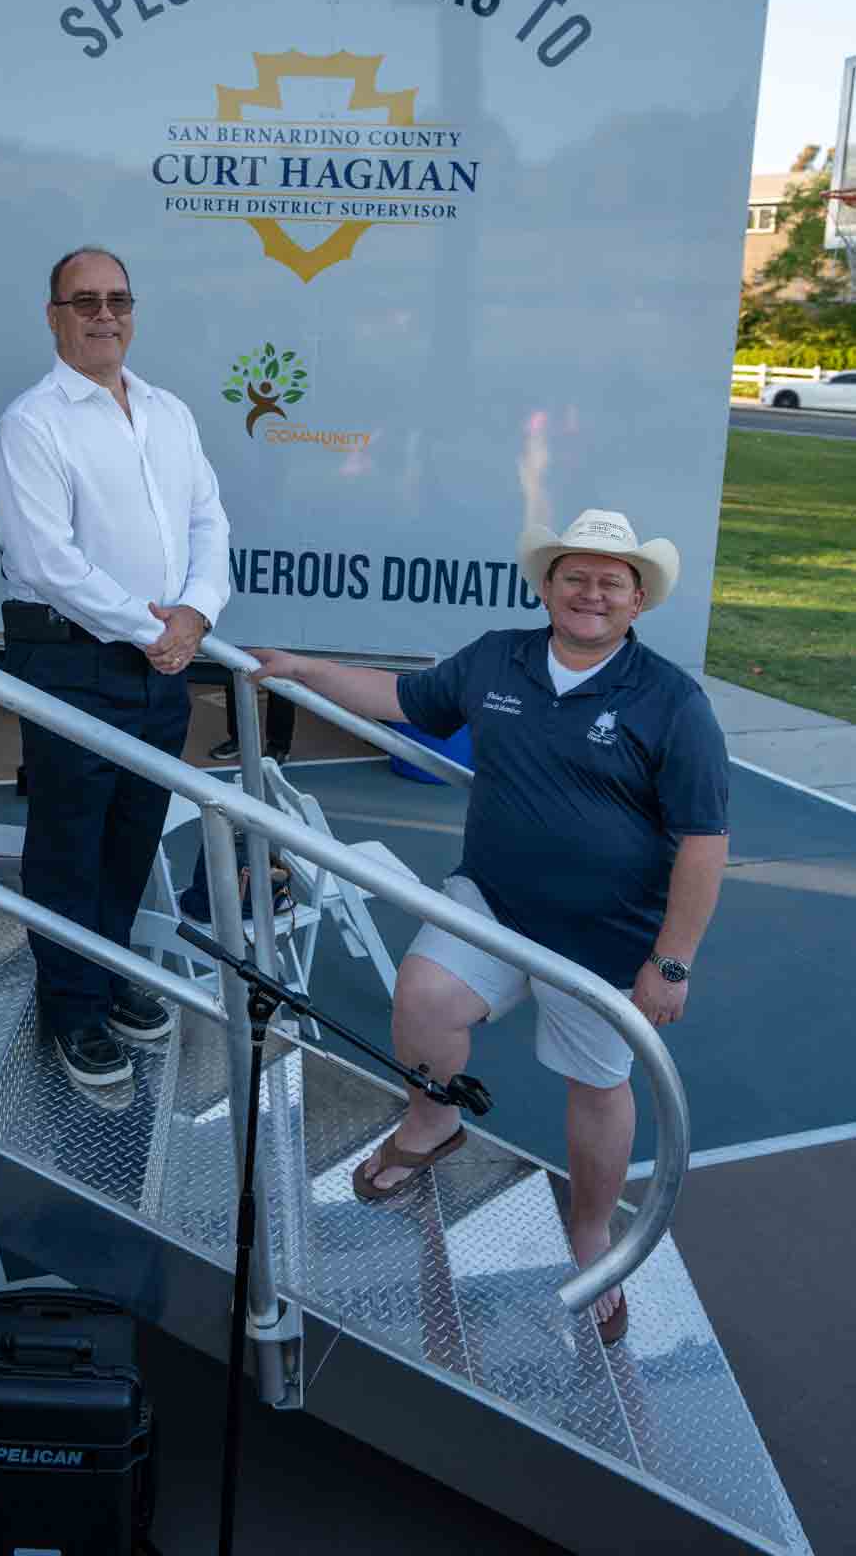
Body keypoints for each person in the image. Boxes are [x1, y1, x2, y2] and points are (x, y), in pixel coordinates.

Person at [252, 508, 729, 1345]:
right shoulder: (497, 656)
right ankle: (432, 1124)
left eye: (609, 582)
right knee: (423, 996)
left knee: (596, 1086)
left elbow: (703, 841)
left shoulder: (671, 701)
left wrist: (673, 961)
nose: (589, 594)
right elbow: (400, 699)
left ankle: (588, 1229)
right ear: (545, 586)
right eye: (573, 576)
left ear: (637, 600)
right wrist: (298, 667)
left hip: (605, 936)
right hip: (494, 901)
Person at [0, 247, 230, 1091]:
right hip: (70, 656)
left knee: (132, 829)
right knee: (69, 840)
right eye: (83, 301)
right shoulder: (32, 425)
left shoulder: (168, 412)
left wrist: (195, 612)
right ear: (53, 315)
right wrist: (150, 629)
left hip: (158, 658)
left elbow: (209, 522)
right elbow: (46, 561)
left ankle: (106, 969)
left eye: (117, 299)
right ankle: (70, 1007)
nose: (103, 315)